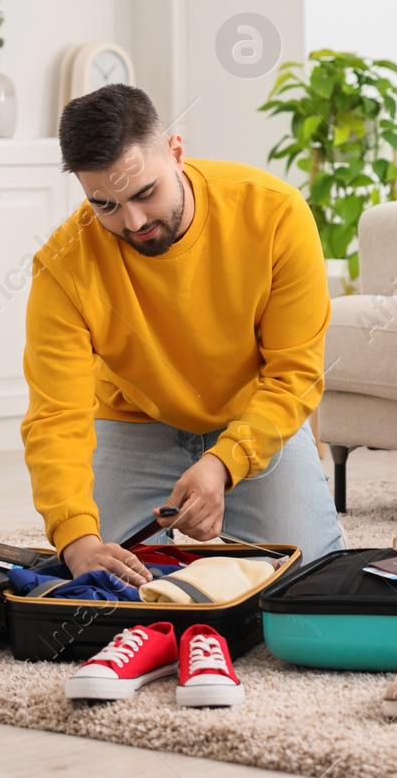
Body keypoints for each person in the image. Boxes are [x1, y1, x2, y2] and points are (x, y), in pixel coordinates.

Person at [20, 83, 345, 586]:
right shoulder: (63, 267)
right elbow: (55, 418)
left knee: (307, 580)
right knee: (109, 582)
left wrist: (224, 463)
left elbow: (294, 375)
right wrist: (76, 539)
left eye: (145, 193)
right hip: (134, 423)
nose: (133, 222)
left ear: (176, 151)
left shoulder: (275, 212)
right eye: (105, 205)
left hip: (252, 415)